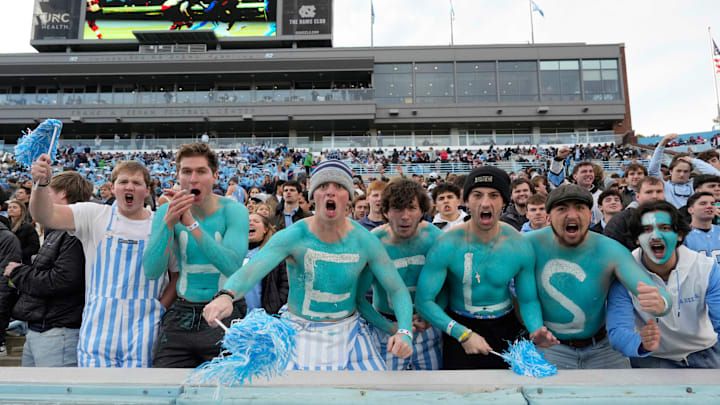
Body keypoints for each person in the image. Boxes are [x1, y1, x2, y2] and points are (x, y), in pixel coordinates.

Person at [202, 159, 413, 371]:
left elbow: (397, 288)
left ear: (348, 197)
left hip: (350, 334)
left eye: (339, 186)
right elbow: (250, 271)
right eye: (323, 186)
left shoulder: (365, 241)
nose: (330, 192)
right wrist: (226, 295)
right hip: (298, 333)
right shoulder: (294, 236)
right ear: (313, 197)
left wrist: (404, 331)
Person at [30, 155, 176, 368]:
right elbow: (46, 215)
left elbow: (177, 275)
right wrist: (41, 184)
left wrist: (159, 308)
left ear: (147, 190)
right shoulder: (94, 215)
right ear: (112, 187)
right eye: (124, 182)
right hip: (97, 330)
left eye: (137, 183)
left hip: (144, 331)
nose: (130, 187)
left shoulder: (162, 225)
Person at [416, 167, 555, 370]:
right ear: (466, 200)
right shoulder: (447, 244)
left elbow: (527, 298)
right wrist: (461, 334)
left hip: (506, 327)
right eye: (477, 195)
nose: (485, 203)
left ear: (504, 201)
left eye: (494, 195)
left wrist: (536, 328)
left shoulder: (518, 244)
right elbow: (424, 301)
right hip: (460, 325)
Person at [523, 184, 672, 369]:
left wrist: (661, 304)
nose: (572, 215)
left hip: (602, 347)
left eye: (580, 208)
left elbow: (652, 290)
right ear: (548, 218)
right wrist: (536, 328)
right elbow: (526, 298)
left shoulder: (610, 250)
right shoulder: (528, 245)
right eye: (562, 209)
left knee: (623, 396)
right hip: (549, 347)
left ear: (591, 216)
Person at [143, 143, 249, 368]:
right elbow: (151, 271)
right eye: (187, 171)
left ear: (215, 176)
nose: (193, 179)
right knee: (164, 386)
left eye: (201, 171)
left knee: (226, 392)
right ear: (178, 176)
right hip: (182, 311)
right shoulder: (165, 211)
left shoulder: (234, 211)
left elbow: (232, 266)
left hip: (225, 310)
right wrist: (168, 224)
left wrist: (191, 224)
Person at [607, 200, 720, 368]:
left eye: (665, 228)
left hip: (704, 353)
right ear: (637, 239)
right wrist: (641, 344)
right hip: (652, 358)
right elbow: (617, 330)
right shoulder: (625, 272)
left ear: (680, 235)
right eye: (646, 230)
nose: (656, 236)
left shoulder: (706, 268)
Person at [3, 172, 92, 367]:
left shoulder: (73, 231)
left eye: (47, 191)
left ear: (63, 194)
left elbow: (62, 280)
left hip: (58, 332)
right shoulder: (58, 230)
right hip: (41, 328)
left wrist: (18, 272)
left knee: (53, 397)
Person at [357, 179, 443, 370]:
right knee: (388, 393)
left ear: (422, 211)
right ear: (386, 211)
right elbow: (359, 299)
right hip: (386, 327)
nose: (405, 216)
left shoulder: (434, 237)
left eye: (411, 208)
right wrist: (391, 328)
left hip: (428, 327)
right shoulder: (374, 242)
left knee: (432, 390)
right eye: (398, 208)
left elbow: (449, 285)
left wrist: (432, 316)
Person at [649, 134, 720, 208]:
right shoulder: (664, 186)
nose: (682, 174)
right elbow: (653, 171)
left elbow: (716, 176)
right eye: (678, 171)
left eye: (686, 171)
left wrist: (693, 160)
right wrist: (662, 143)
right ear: (671, 171)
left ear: (690, 173)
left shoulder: (695, 187)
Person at [604, 176, 666, 251]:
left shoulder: (672, 218)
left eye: (659, 192)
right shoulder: (621, 221)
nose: (655, 196)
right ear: (637, 196)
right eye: (649, 192)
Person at [244, 213, 288, 315]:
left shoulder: (276, 254)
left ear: (265, 229)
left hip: (265, 318)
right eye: (248, 221)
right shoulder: (235, 254)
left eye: (256, 221)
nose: (251, 223)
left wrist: (274, 306)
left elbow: (285, 284)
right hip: (238, 318)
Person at [683, 192, 720, 262]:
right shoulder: (683, 235)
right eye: (703, 203)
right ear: (690, 210)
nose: (709, 206)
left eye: (712, 204)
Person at [7, 200, 39, 265]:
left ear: (21, 211)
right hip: (4, 261)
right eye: (9, 207)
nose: (11, 209)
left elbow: (35, 247)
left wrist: (18, 253)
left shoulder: (28, 227)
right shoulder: (4, 225)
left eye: (14, 207)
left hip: (22, 262)